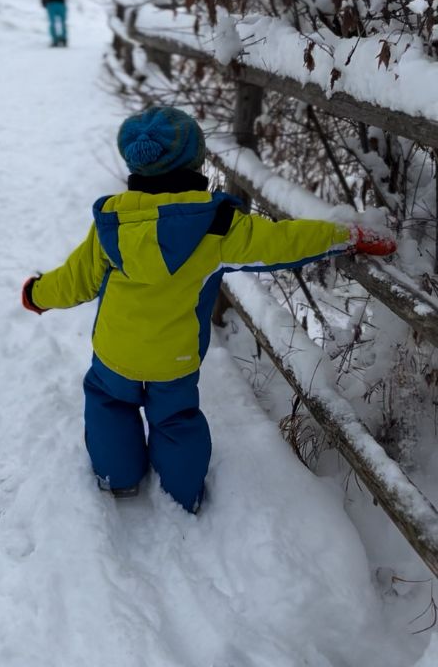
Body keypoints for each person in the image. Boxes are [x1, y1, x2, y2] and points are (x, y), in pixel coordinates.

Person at [21, 106, 397, 513]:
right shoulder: (217, 227)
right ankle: (182, 493)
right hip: (176, 358)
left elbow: (74, 280)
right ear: (195, 162)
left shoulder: (112, 223)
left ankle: (119, 478)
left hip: (115, 352)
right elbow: (285, 241)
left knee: (110, 406)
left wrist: (37, 293)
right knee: (176, 420)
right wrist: (347, 233)